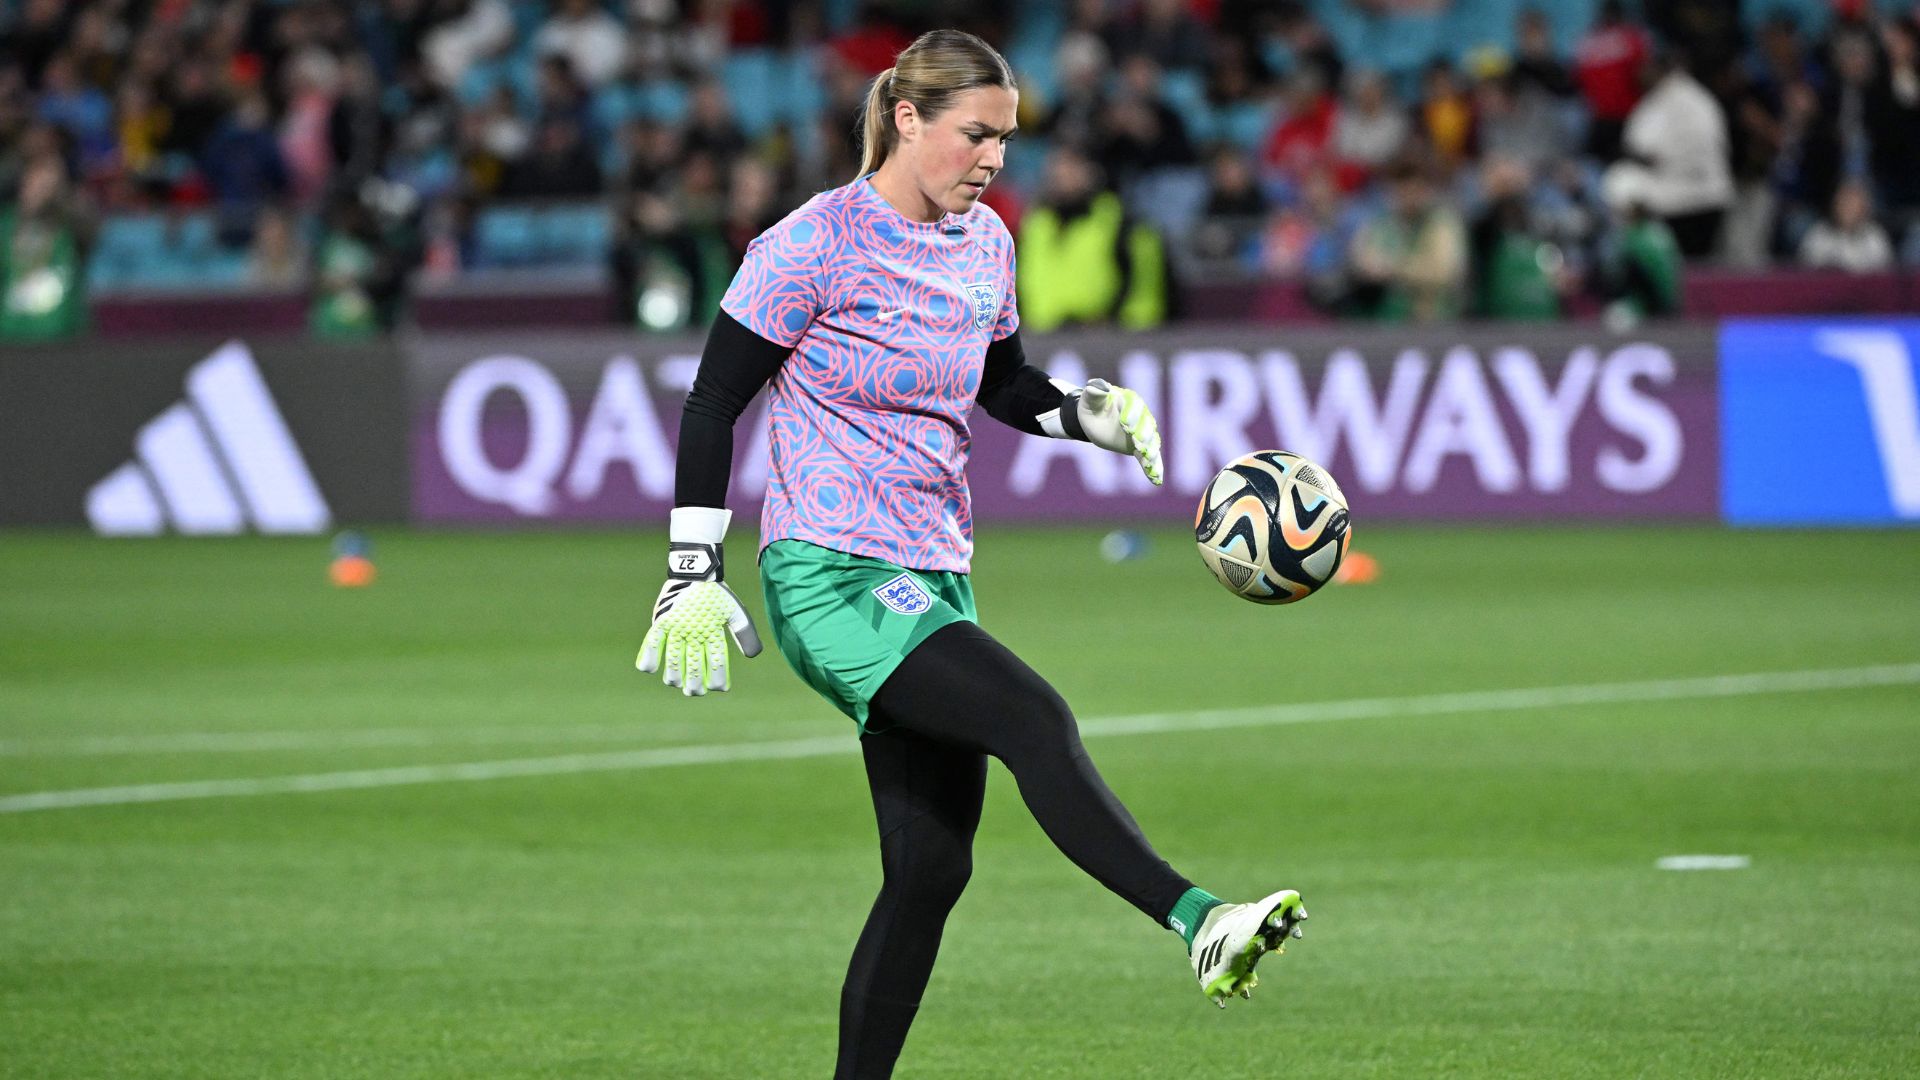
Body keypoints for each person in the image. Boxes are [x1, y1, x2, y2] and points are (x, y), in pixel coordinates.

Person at [633, 29, 1307, 1080]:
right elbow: (715, 399)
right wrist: (691, 567)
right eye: (975, 134)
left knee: (931, 868)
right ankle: (1199, 920)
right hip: (831, 571)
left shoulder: (985, 242)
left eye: (1007, 139)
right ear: (908, 118)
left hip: (931, 572)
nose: (993, 159)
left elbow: (1003, 386)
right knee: (1033, 719)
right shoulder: (811, 243)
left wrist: (1085, 415)